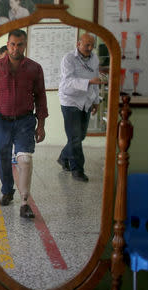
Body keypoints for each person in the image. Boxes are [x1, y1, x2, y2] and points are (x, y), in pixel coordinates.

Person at [0, 29, 48, 218]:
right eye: (12, 44)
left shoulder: (34, 68)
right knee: (4, 158)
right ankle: (7, 191)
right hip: (2, 121)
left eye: (20, 44)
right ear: (8, 45)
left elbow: (41, 97)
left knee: (25, 159)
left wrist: (41, 125)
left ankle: (24, 202)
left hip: (25, 120)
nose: (16, 48)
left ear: (25, 45)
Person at [57, 33, 104, 182]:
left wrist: (96, 100)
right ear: (78, 44)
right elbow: (67, 83)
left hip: (86, 101)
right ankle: (77, 170)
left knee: (80, 136)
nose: (89, 48)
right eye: (86, 45)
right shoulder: (69, 59)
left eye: (92, 45)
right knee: (75, 138)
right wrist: (89, 82)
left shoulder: (94, 59)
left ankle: (63, 157)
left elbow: (96, 82)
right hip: (70, 101)